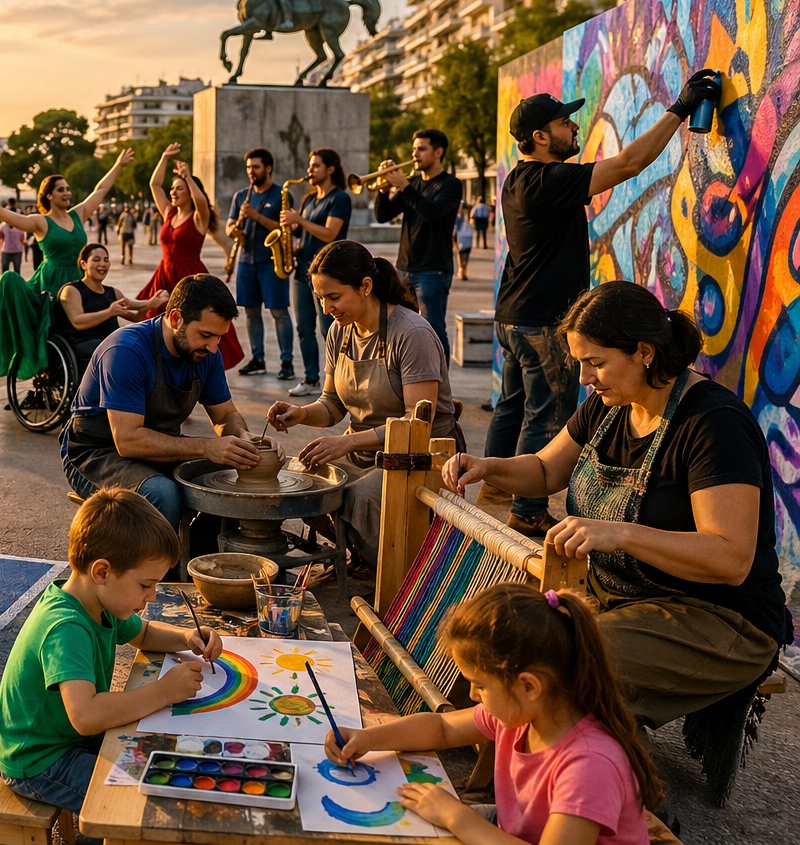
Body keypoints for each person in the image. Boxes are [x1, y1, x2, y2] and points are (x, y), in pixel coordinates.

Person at [446, 281, 791, 728]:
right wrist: (488, 466)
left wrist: (622, 534)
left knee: (556, 665)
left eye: (596, 363)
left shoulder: (713, 424)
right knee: (487, 636)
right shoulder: (609, 408)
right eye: (581, 363)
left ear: (644, 352)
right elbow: (545, 470)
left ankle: (592, 783)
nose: (584, 378)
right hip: (621, 597)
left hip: (719, 619)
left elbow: (730, 558)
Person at [484, 73, 722, 535]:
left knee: (511, 406)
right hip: (542, 319)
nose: (574, 128)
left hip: (512, 315)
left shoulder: (518, 180)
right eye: (564, 123)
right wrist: (681, 105)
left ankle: (495, 487)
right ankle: (528, 510)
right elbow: (630, 163)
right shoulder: (549, 180)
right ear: (541, 137)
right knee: (546, 416)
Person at [326, 584, 659, 845]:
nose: (472, 696)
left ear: (529, 686)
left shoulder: (589, 766)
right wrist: (369, 737)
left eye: (480, 685)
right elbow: (442, 727)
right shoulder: (523, 714)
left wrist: (457, 815)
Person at [0, 488, 222, 825]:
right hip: (39, 759)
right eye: (146, 585)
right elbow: (85, 716)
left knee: (161, 752)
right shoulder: (66, 627)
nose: (152, 595)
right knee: (141, 800)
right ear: (102, 572)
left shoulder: (99, 601)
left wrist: (188, 637)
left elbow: (143, 633)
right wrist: (162, 692)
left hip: (68, 738)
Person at [267, 240, 456, 574]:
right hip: (363, 452)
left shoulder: (411, 333)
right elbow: (331, 405)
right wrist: (301, 415)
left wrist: (347, 442)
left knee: (361, 497)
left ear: (366, 286)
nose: (326, 309)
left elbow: (418, 423)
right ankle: (358, 553)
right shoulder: (340, 332)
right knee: (295, 482)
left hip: (418, 455)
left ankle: (395, 571)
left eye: (334, 297)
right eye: (320, 298)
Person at [63, 274, 261, 538]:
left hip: (158, 447)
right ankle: (160, 576)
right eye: (206, 335)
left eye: (219, 337)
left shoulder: (206, 353)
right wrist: (206, 446)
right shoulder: (126, 350)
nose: (214, 347)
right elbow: (128, 440)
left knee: (237, 474)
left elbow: (225, 414)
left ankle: (197, 559)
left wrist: (242, 438)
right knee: (161, 493)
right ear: (176, 318)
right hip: (96, 453)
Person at [0, 147, 133, 384]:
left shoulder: (78, 214)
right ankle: (47, 373)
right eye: (61, 189)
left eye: (68, 189)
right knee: (55, 329)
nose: (67, 193)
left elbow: (101, 190)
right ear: (49, 195)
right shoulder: (40, 222)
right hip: (52, 281)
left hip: (78, 278)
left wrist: (119, 164)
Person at [137, 143, 244, 370]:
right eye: (173, 188)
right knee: (154, 319)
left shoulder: (198, 217)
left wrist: (188, 176)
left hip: (189, 274)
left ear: (190, 193)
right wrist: (164, 157)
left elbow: (202, 201)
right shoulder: (169, 212)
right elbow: (154, 184)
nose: (173, 192)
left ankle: (199, 361)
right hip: (164, 271)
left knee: (195, 319)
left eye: (179, 189)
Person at [371, 129, 463, 358]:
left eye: (421, 149)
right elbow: (383, 216)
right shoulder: (413, 184)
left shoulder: (450, 185)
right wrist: (383, 191)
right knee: (402, 329)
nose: (414, 155)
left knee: (433, 331)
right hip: (404, 269)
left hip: (433, 270)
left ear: (438, 152)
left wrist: (404, 186)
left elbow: (432, 212)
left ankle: (440, 388)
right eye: (414, 149)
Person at [279, 148, 353, 398]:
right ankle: (311, 378)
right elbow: (304, 233)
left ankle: (343, 378)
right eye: (310, 166)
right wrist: (290, 225)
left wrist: (298, 220)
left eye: (315, 166)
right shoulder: (309, 199)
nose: (309, 170)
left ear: (330, 169)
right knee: (304, 328)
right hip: (302, 271)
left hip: (329, 273)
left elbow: (330, 233)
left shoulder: (340, 198)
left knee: (329, 328)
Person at [226, 147, 294, 382]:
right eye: (248, 168)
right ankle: (258, 359)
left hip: (272, 261)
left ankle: (287, 362)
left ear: (268, 168)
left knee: (279, 313)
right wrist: (234, 230)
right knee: (251, 312)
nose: (251, 172)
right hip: (246, 261)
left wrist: (256, 217)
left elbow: (286, 229)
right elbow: (229, 226)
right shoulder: (240, 196)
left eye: (255, 167)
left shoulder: (280, 195)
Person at [54, 244, 168, 375]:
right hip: (81, 344)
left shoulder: (113, 293)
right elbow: (78, 322)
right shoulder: (72, 290)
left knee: (147, 346)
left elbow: (137, 317)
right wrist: (110, 312)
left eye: (106, 260)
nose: (102, 264)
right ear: (83, 264)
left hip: (110, 342)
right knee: (123, 350)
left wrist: (150, 304)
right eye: (96, 260)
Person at [0, 208, 26, 275]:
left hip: (17, 251)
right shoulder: (3, 225)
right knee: (4, 272)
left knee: (17, 271)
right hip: (6, 251)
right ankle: (5, 285)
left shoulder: (19, 225)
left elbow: (22, 237)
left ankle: (16, 285)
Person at [454, 203, 474, 282]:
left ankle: (461, 272)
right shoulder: (470, 215)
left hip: (460, 238)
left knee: (460, 255)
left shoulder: (457, 218)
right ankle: (463, 272)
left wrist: (454, 241)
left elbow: (454, 230)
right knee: (466, 256)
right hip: (469, 237)